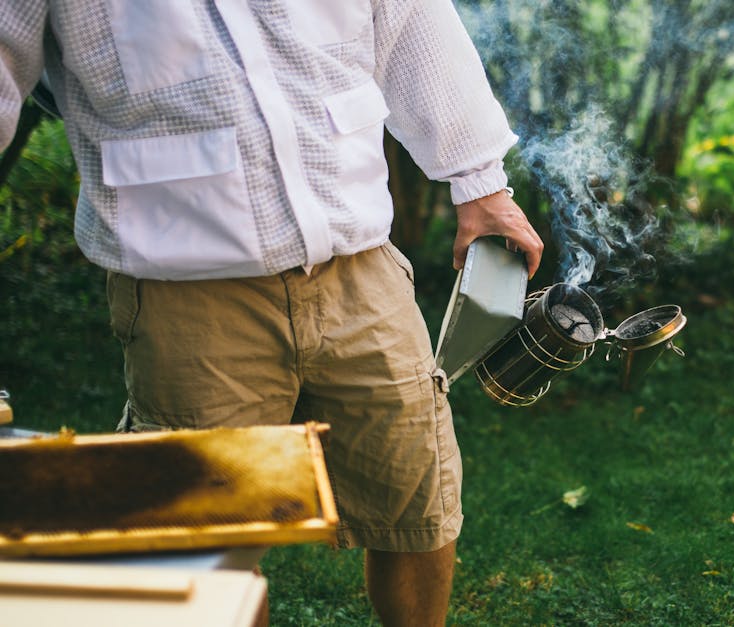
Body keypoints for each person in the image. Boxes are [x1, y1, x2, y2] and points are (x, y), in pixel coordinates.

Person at [0, 1, 543, 624]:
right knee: (209, 543)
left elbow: (414, 22)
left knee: (416, 502)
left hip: (358, 264)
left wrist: (482, 182)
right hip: (191, 293)